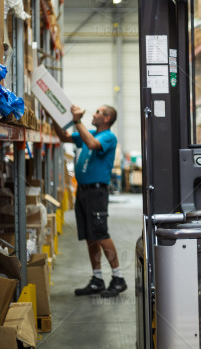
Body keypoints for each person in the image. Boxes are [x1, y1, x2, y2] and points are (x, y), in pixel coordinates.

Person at [53, 104, 127, 297]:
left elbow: (93, 144)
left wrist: (77, 121)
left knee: (101, 233)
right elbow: (63, 137)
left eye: (99, 112)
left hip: (96, 192)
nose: (94, 114)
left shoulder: (108, 137)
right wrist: (53, 116)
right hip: (84, 192)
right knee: (90, 235)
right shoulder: (88, 133)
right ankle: (97, 279)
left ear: (107, 119)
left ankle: (118, 278)